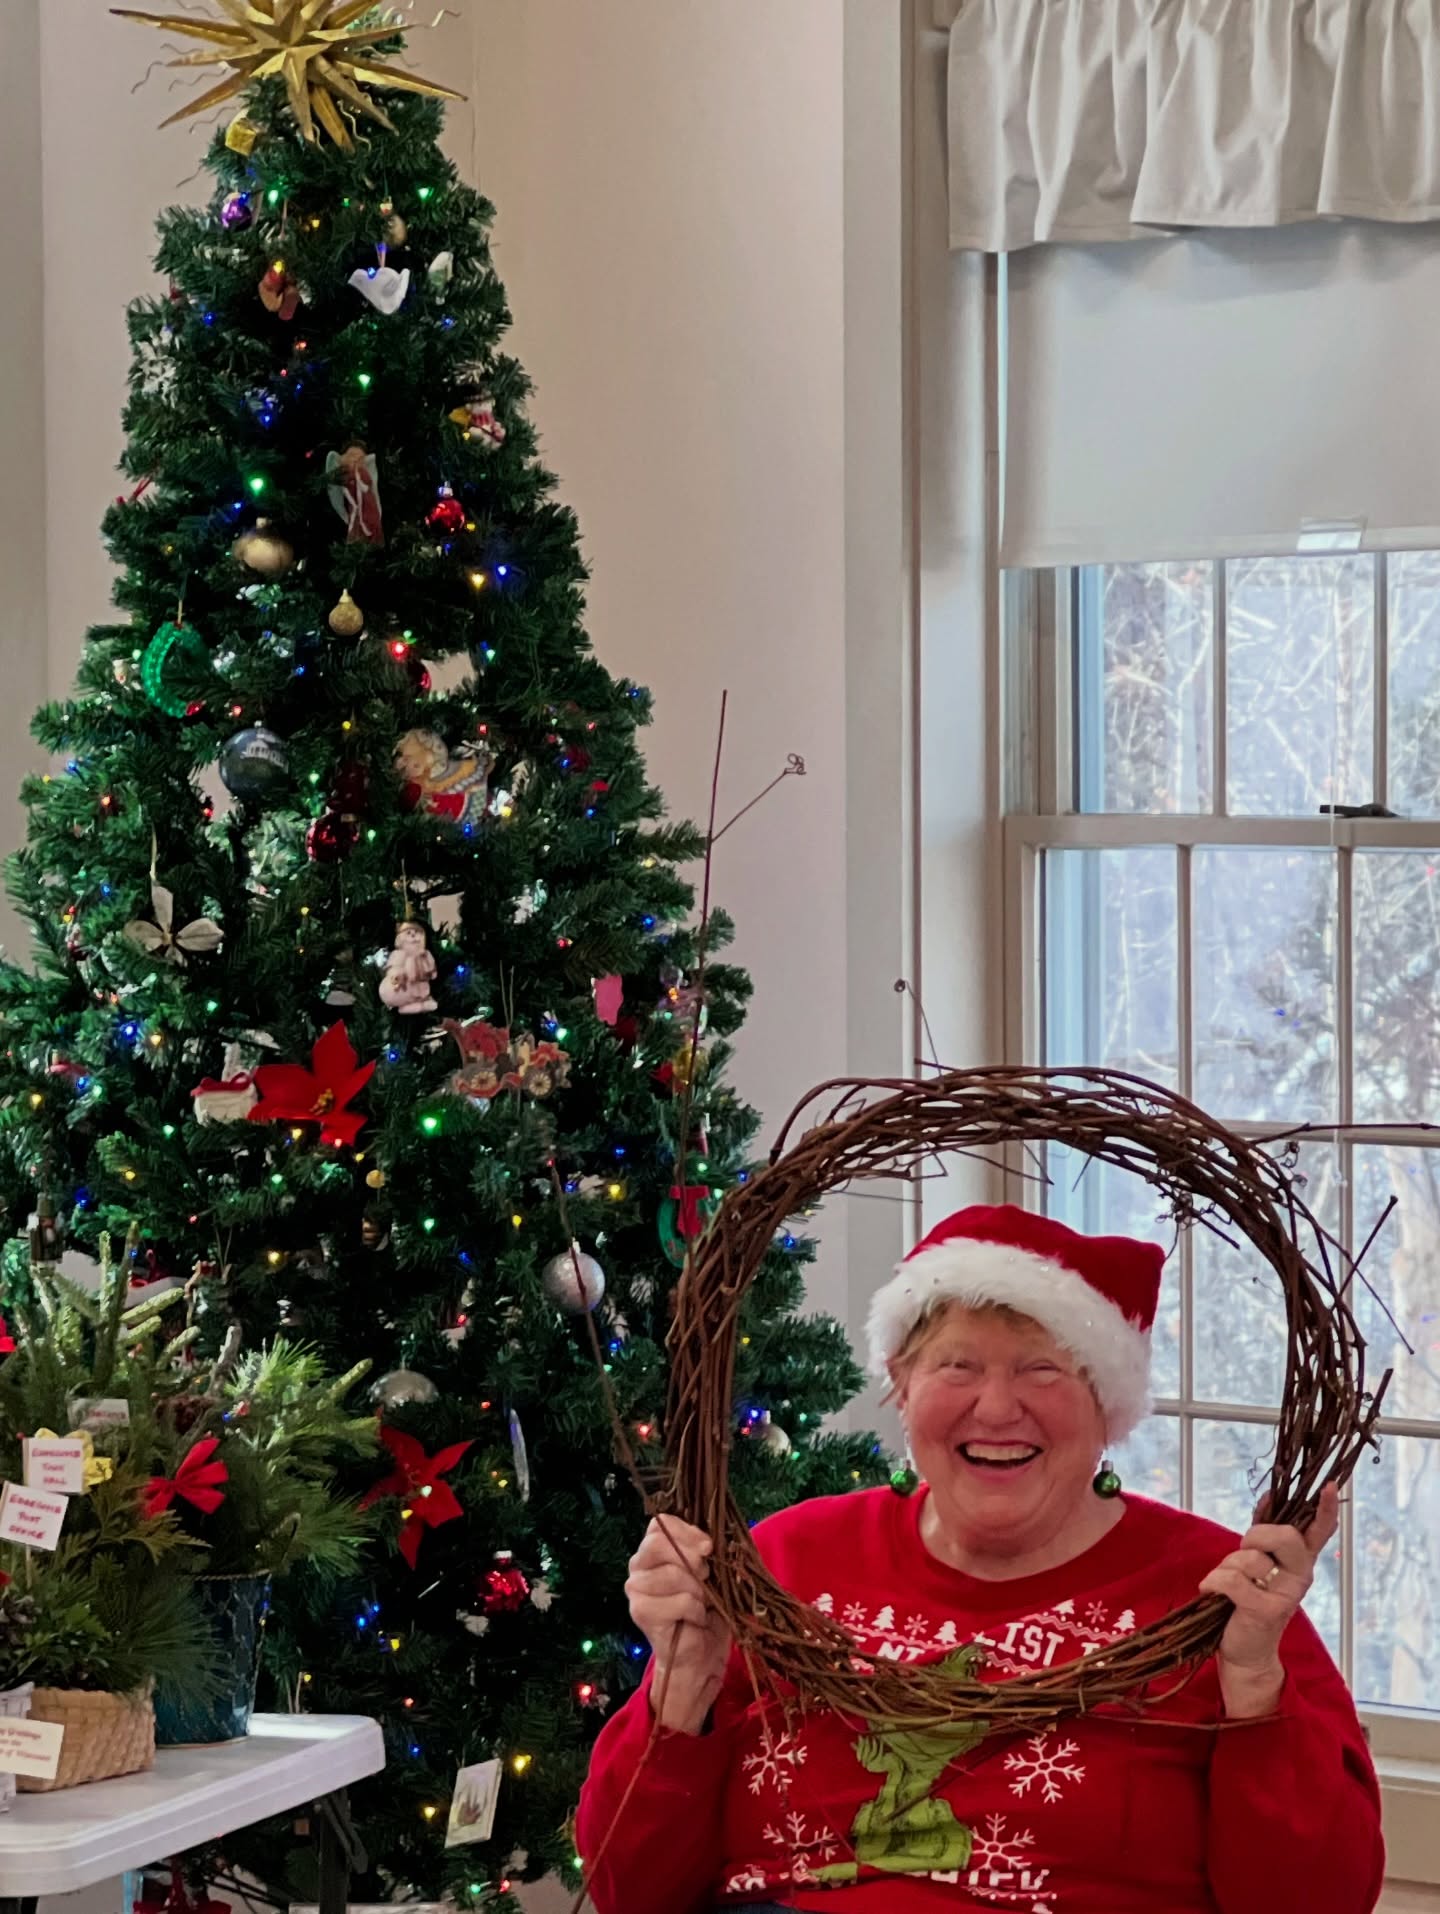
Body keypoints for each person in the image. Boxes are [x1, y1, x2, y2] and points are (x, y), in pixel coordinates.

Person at [578, 1204, 1384, 1913]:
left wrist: (1253, 1691)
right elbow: (630, 1890)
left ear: (1108, 1406)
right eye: (956, 1366)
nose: (997, 1409)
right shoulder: (784, 1559)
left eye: (1043, 1370)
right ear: (900, 1384)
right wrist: (681, 1685)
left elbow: (1317, 1901)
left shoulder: (1217, 1594)